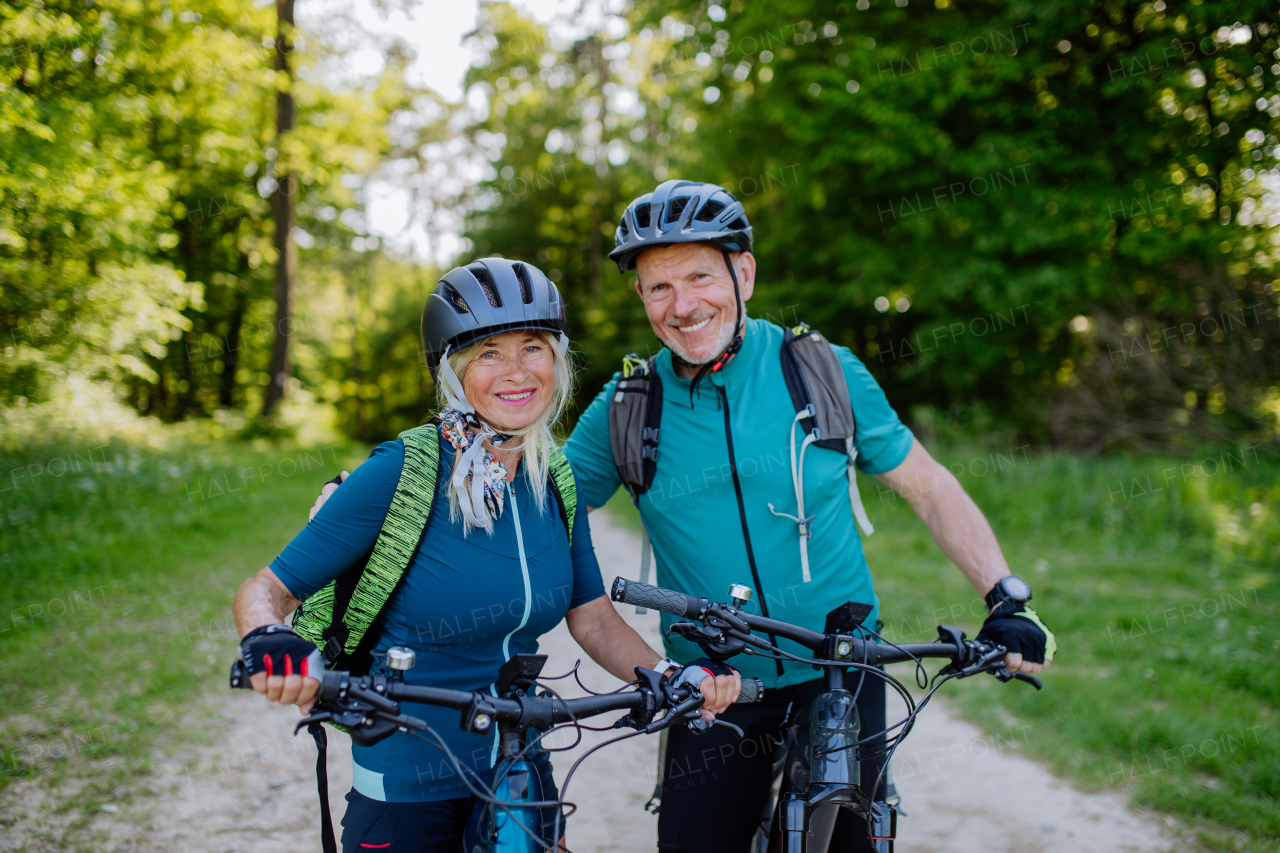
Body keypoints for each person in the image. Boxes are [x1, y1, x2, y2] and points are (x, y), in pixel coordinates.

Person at [311, 184, 1057, 852]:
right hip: (712, 686)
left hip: (842, 666)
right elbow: (530, 489)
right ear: (642, 299)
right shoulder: (632, 407)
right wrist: (379, 494)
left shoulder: (821, 370)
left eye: (700, 275)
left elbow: (927, 487)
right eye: (658, 286)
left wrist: (1004, 597)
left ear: (745, 274)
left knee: (853, 837)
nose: (682, 304)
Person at [234, 258, 740, 853]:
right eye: (488, 353)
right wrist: (268, 639)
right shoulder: (403, 471)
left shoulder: (554, 477)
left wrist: (670, 674)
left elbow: (594, 617)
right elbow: (268, 589)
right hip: (406, 782)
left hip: (519, 768)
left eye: (533, 347)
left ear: (557, 360)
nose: (517, 371)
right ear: (452, 371)